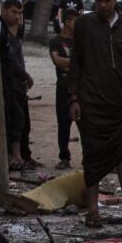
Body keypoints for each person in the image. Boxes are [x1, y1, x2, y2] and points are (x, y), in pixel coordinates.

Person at [68, 0, 122, 229]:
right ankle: (93, 212)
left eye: (108, 0)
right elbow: (76, 64)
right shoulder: (83, 25)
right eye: (99, 0)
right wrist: (74, 98)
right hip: (91, 101)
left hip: (121, 103)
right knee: (92, 155)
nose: (103, 5)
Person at [0, 0, 37, 170]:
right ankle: (14, 157)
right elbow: (4, 57)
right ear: (4, 10)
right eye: (14, 12)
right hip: (6, 82)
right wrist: (25, 75)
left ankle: (24, 156)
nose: (17, 17)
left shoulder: (17, 28)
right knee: (13, 120)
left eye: (20, 13)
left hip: (17, 83)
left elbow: (17, 55)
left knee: (23, 121)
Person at [46, 19, 74, 170]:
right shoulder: (56, 41)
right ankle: (64, 157)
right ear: (68, 22)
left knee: (85, 125)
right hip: (63, 88)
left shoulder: (80, 40)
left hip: (79, 87)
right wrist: (75, 62)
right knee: (63, 124)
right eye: (75, 21)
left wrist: (68, 63)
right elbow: (57, 61)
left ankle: (88, 157)